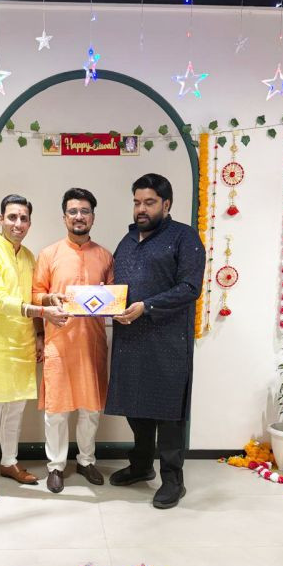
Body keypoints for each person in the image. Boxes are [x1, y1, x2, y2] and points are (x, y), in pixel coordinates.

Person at [105, 173, 205, 509]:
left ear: (166, 204)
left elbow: (190, 288)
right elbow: (120, 284)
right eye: (137, 202)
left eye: (149, 202)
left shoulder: (184, 237)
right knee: (136, 408)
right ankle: (141, 465)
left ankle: (173, 481)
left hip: (167, 343)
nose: (141, 209)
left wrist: (146, 307)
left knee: (168, 413)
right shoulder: (128, 240)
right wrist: (107, 300)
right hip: (130, 340)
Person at [0, 194, 68, 501]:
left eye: (23, 218)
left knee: (16, 409)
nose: (18, 223)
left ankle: (9, 462)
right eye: (12, 217)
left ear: (29, 223)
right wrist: (41, 310)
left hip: (24, 343)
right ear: (1, 219)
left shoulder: (27, 256)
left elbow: (33, 295)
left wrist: (43, 318)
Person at [33, 188, 114, 493]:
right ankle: (55, 466)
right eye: (73, 211)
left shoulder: (105, 256)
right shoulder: (49, 254)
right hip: (59, 342)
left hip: (92, 343)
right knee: (56, 410)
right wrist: (47, 305)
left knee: (90, 409)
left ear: (93, 216)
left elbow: (114, 299)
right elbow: (35, 295)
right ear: (64, 216)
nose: (79, 217)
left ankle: (86, 461)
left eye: (85, 211)